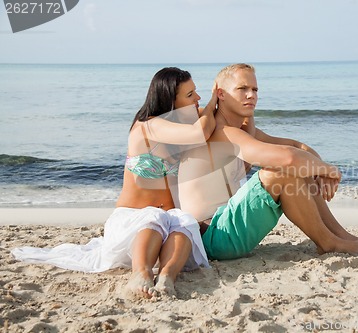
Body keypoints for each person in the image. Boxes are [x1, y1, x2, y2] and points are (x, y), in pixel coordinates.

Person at [12, 67, 216, 299]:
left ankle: (167, 276)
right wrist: (213, 101)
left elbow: (217, 125)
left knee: (183, 220)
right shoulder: (148, 126)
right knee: (154, 216)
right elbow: (200, 133)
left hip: (166, 228)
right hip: (132, 223)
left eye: (197, 93)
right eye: (190, 95)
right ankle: (141, 273)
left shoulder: (175, 127)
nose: (197, 99)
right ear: (170, 99)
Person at [177, 63, 358, 261]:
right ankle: (328, 242)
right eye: (242, 89)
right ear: (221, 94)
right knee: (280, 171)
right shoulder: (221, 132)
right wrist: (331, 170)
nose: (251, 95)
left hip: (229, 227)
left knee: (298, 168)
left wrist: (320, 171)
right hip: (213, 235)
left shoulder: (237, 130)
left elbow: (297, 148)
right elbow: (288, 158)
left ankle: (339, 235)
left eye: (254, 89)